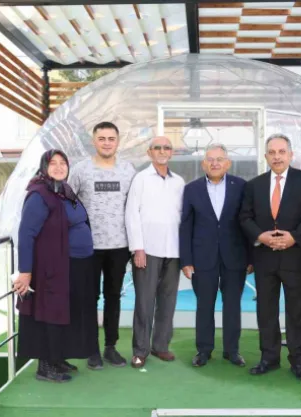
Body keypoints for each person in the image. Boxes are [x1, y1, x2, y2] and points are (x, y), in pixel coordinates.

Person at [239, 133, 301, 380]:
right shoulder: (253, 185)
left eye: (281, 152)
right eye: (272, 152)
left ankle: (299, 362)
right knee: (266, 310)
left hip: (296, 256)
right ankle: (269, 358)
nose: (277, 157)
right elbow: (245, 217)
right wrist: (260, 236)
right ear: (266, 156)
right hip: (264, 257)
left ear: (290, 154)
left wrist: (294, 237)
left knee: (298, 311)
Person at [13, 149, 99, 383]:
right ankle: (45, 367)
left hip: (74, 265)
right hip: (51, 269)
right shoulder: (39, 195)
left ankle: (57, 357)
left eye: (63, 163)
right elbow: (26, 234)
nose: (59, 167)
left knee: (65, 312)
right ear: (44, 167)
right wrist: (25, 272)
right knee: (48, 313)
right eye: (53, 163)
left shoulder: (64, 191)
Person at [69, 122, 137, 369]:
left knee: (113, 296)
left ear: (117, 142)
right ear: (94, 141)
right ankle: (91, 349)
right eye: (102, 138)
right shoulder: (80, 170)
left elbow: (135, 206)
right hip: (88, 247)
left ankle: (110, 346)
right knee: (89, 298)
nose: (107, 143)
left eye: (111, 138)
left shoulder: (128, 170)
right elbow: (68, 202)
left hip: (119, 246)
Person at [179, 143, 251, 368]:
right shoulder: (192, 189)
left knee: (232, 305)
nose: (215, 163)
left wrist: (251, 257)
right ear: (203, 164)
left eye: (219, 159)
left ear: (228, 163)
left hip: (235, 257)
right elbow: (186, 226)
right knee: (204, 305)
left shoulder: (241, 186)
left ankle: (232, 351)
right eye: (210, 159)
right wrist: (186, 260)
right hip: (203, 257)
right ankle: (204, 350)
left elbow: (247, 223)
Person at [125, 136, 185, 368]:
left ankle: (161, 346)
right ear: (149, 152)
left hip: (174, 249)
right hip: (147, 249)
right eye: (157, 148)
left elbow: (182, 216)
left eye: (166, 147)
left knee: (168, 301)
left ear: (172, 153)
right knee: (144, 301)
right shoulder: (140, 179)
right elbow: (132, 214)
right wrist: (137, 248)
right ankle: (140, 350)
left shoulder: (179, 182)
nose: (162, 151)